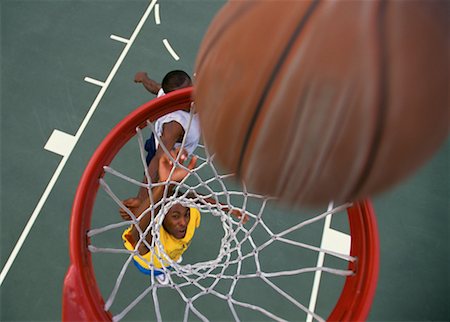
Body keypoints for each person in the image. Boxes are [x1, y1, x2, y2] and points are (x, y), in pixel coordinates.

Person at [121, 149, 248, 284]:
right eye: (175, 216)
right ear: (160, 219)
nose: (183, 222)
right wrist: (165, 184)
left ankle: (173, 258)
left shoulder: (190, 214)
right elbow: (139, 230)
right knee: (160, 268)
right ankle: (160, 273)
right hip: (151, 265)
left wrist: (226, 208)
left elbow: (194, 198)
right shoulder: (149, 241)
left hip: (171, 254)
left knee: (174, 254)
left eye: (185, 214)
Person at [126, 70, 201, 208]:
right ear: (172, 100)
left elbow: (156, 87)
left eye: (190, 90)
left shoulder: (170, 93)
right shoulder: (175, 125)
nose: (189, 97)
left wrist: (144, 78)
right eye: (182, 97)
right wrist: (141, 197)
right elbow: (157, 161)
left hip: (158, 139)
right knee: (161, 194)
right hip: (163, 154)